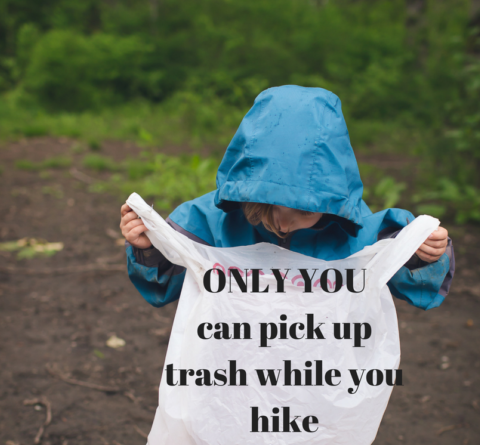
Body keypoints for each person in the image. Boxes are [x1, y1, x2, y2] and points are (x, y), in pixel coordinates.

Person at [120, 85, 455, 309]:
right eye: (268, 209)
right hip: (232, 371)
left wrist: (423, 255)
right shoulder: (209, 222)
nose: (283, 224)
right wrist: (150, 249)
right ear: (248, 193)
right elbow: (167, 283)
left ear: (330, 204)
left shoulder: (358, 234)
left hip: (319, 374)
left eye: (304, 214)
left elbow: (408, 284)